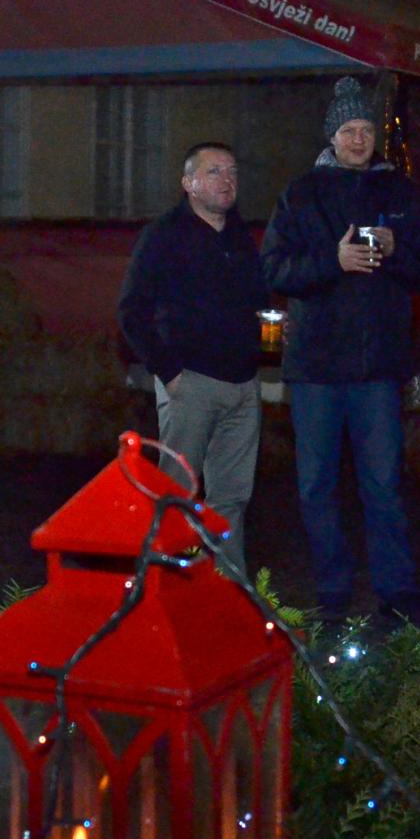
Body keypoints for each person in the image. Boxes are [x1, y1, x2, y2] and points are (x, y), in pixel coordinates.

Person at [260, 77, 420, 625]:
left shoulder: (401, 192)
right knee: (316, 486)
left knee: (383, 484)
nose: (358, 139)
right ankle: (332, 589)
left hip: (377, 366)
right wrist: (331, 262)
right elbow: (274, 269)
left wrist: (397, 248)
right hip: (316, 365)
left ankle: (397, 589)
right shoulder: (301, 193)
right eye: (348, 130)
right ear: (331, 136)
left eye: (365, 129)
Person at [118, 141, 270, 573]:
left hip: (243, 383)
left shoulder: (240, 237)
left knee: (232, 497)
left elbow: (258, 300)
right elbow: (132, 311)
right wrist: (169, 373)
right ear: (188, 183)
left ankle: (226, 586)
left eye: (232, 171)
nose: (227, 180)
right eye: (214, 171)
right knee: (175, 489)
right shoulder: (164, 236)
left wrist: (266, 333)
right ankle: (163, 583)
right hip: (192, 382)